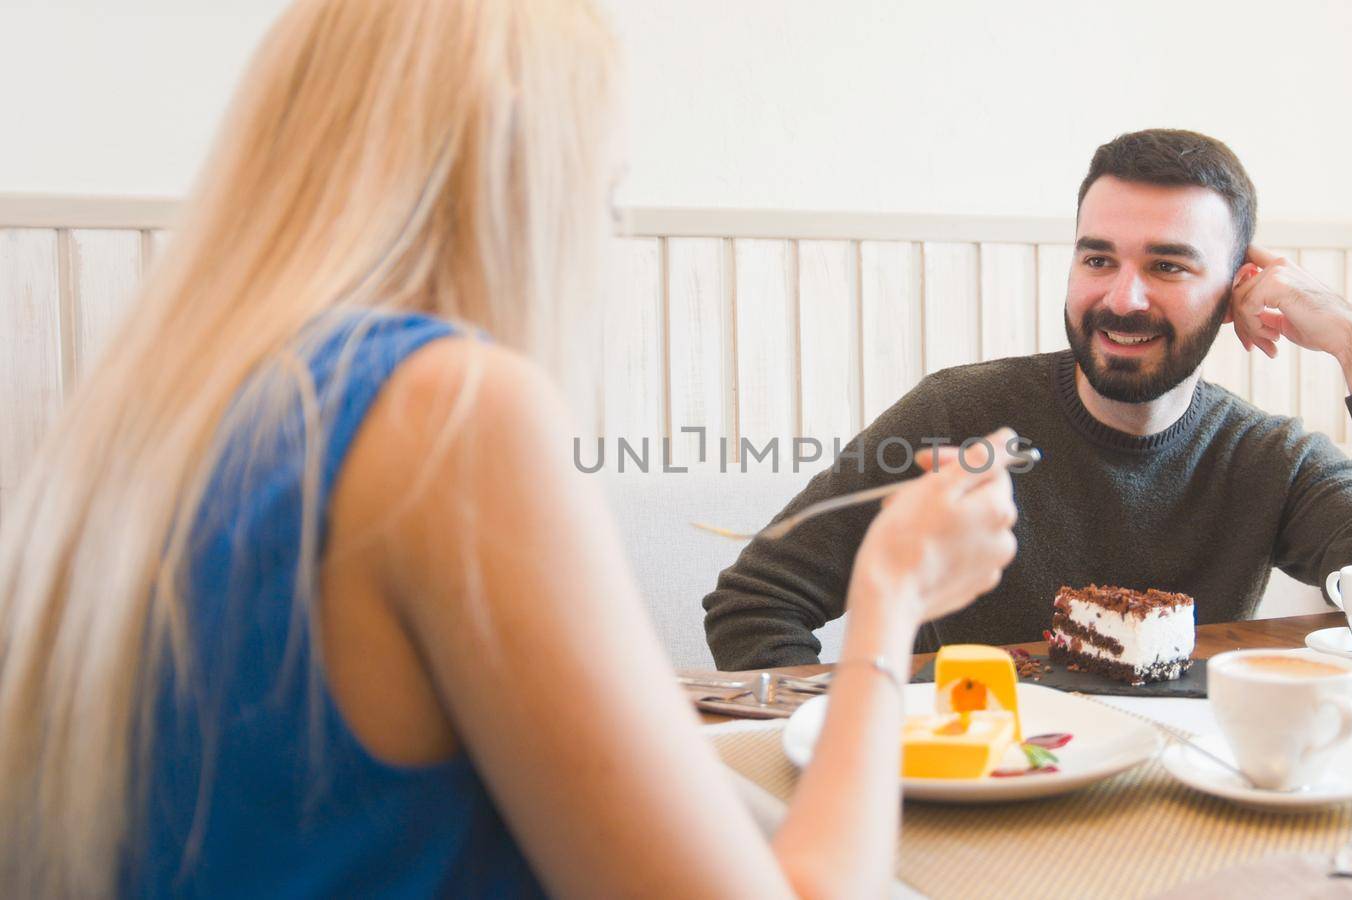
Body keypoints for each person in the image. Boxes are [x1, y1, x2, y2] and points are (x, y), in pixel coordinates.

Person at [0, 1, 1020, 896]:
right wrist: (891, 592)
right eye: (606, 192)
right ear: (519, 168)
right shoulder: (448, 413)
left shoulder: (162, 408)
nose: (602, 238)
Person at [703, 128, 1352, 671]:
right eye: (1097, 258)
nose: (1122, 298)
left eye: (1170, 266)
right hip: (977, 789)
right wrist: (859, 744)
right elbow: (754, 603)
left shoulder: (1270, 460)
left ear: (1235, 291)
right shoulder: (958, 415)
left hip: (1184, 798)